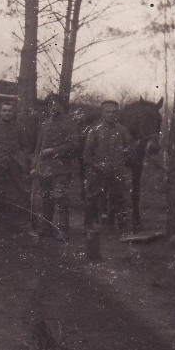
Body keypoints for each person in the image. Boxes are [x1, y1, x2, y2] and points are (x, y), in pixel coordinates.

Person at [31, 93, 82, 240]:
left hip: (61, 167)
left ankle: (63, 230)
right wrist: (35, 166)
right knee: (46, 198)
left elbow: (74, 145)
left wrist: (54, 151)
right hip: (44, 168)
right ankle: (46, 227)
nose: (53, 107)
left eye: (56, 104)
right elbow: (38, 148)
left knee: (61, 198)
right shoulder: (44, 124)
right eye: (50, 105)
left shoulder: (70, 123)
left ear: (62, 106)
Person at [83, 100, 134, 231]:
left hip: (117, 169)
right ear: (102, 113)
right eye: (107, 112)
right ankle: (89, 226)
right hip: (97, 170)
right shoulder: (94, 130)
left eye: (113, 112)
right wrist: (97, 165)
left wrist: (124, 156)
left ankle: (123, 227)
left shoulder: (123, 130)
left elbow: (130, 148)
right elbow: (87, 154)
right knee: (92, 197)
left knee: (121, 198)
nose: (111, 114)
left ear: (116, 113)